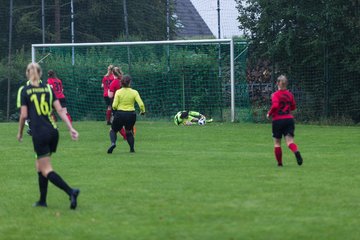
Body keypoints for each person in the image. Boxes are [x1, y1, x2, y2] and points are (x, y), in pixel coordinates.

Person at [17, 62, 80, 209]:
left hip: (40, 133)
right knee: (40, 166)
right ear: (40, 73)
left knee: (46, 169)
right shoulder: (48, 88)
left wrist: (19, 133)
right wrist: (71, 128)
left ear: (27, 73)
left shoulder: (24, 90)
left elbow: (23, 115)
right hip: (53, 132)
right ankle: (42, 201)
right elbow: (60, 110)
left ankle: (71, 192)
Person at [267, 75, 303, 167]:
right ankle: (296, 151)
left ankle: (279, 163)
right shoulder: (290, 95)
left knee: (277, 143)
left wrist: (269, 113)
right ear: (286, 83)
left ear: (278, 83)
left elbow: (275, 106)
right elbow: (294, 107)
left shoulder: (275, 95)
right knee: (290, 142)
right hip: (289, 120)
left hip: (278, 120)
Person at [107, 75, 145, 154]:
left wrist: (115, 110)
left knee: (113, 130)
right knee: (128, 131)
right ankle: (132, 149)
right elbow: (141, 104)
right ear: (130, 83)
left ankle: (113, 143)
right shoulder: (134, 92)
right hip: (131, 115)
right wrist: (142, 111)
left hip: (120, 114)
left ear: (121, 83)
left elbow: (114, 105)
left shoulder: (118, 92)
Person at [108, 67, 129, 140]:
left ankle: (126, 136)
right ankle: (127, 134)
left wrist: (108, 91)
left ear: (112, 73)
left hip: (116, 105)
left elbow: (110, 95)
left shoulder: (114, 82)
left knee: (115, 122)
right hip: (125, 103)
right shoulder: (124, 81)